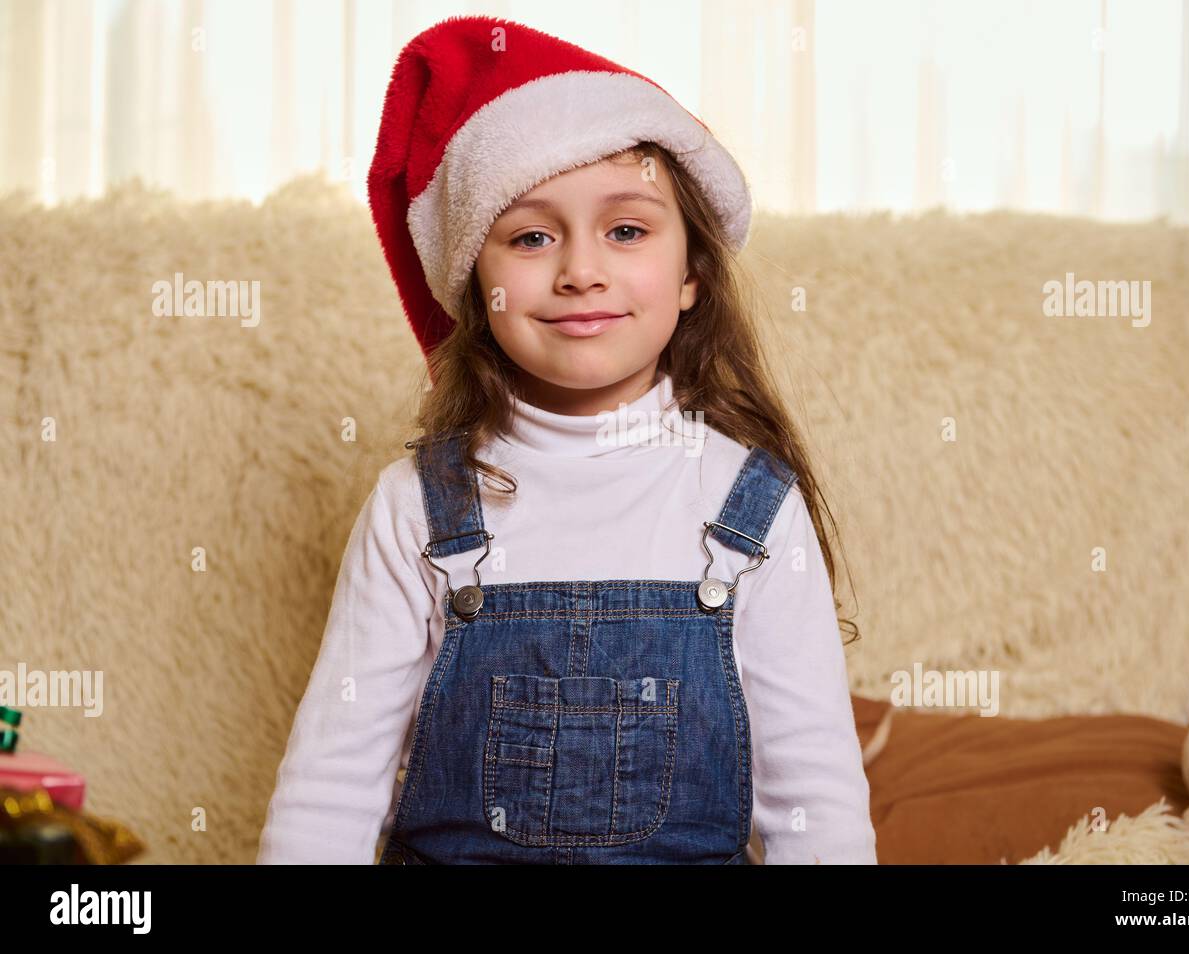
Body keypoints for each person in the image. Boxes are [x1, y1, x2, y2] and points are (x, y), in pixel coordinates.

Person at [256, 14, 875, 865]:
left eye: (626, 231)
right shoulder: (417, 507)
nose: (580, 270)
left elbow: (816, 806)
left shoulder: (750, 506)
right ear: (478, 281)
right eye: (531, 236)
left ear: (691, 274)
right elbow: (331, 790)